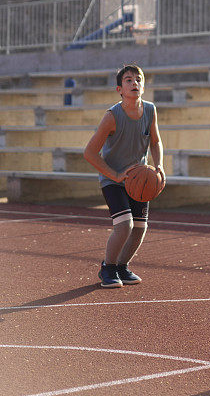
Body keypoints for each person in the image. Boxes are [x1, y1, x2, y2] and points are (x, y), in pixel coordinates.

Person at [84, 64, 165, 288]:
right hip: (113, 178)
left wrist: (159, 166)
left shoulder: (150, 110)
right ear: (119, 89)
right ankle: (108, 268)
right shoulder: (112, 116)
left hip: (138, 177)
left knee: (140, 227)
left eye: (138, 79)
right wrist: (116, 175)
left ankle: (122, 266)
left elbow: (156, 143)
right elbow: (89, 153)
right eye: (128, 80)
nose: (134, 83)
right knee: (124, 225)